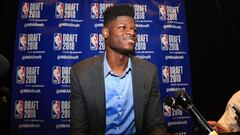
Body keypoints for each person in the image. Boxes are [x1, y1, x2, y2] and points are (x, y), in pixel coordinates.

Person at [70, 4, 167, 135]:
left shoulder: (149, 72)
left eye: (134, 29)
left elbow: (155, 125)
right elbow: (79, 129)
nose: (131, 32)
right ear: (105, 32)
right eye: (123, 27)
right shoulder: (81, 73)